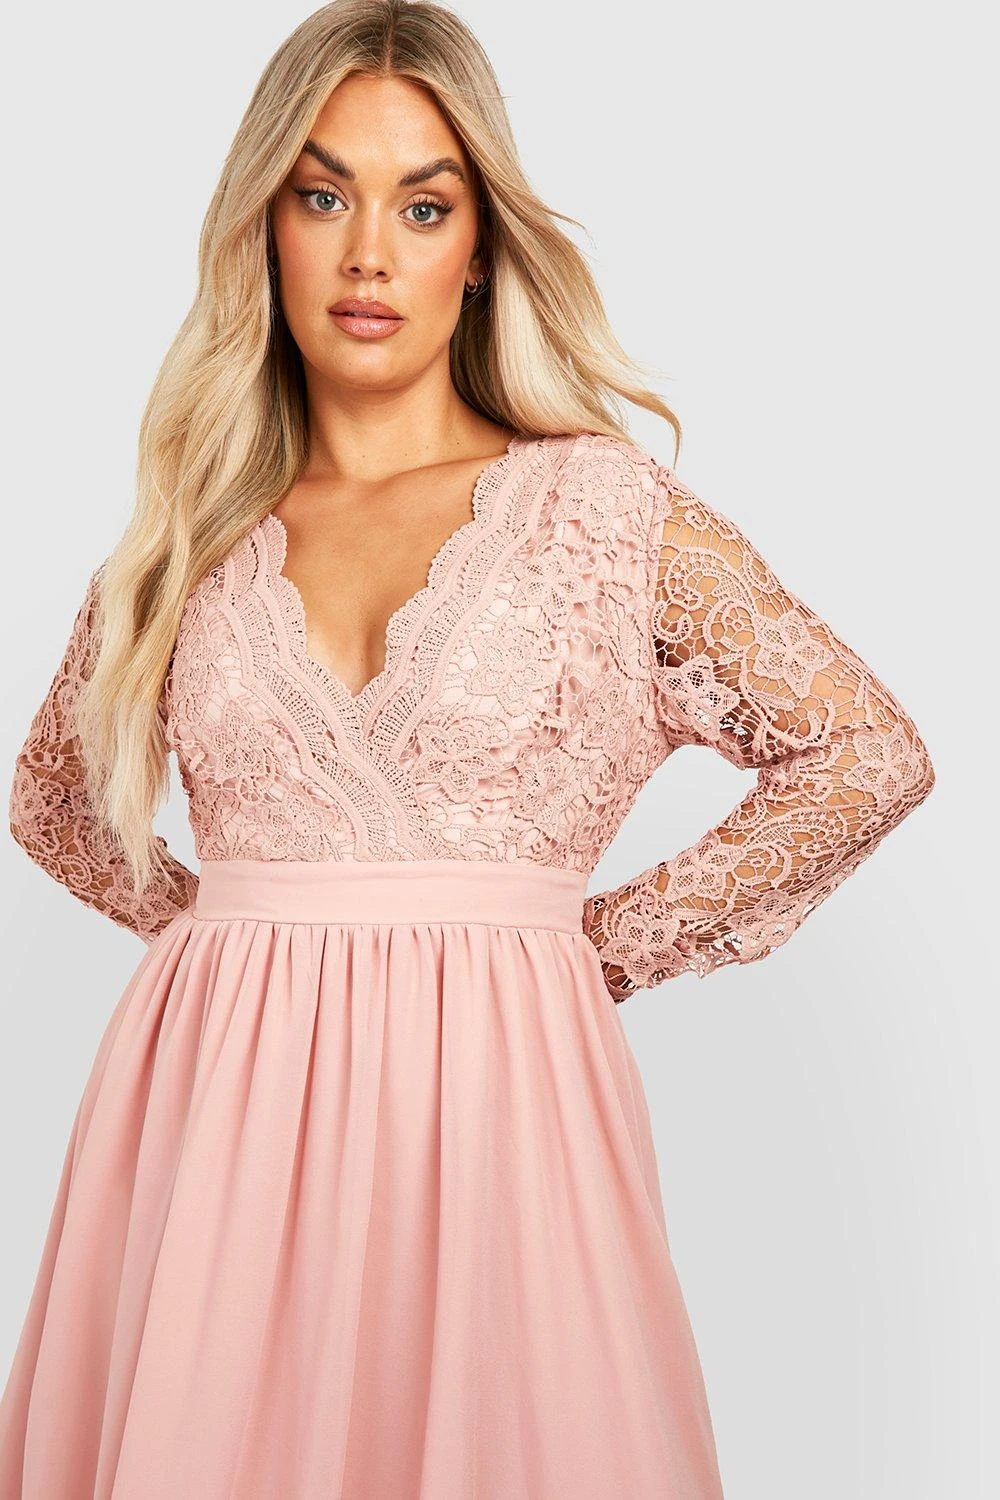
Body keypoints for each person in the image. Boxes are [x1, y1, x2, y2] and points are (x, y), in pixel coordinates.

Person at [0, 1, 936, 1495]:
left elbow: (865, 751)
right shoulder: (190, 532)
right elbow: (50, 800)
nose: (369, 253)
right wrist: (222, 947)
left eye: (423, 205)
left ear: (484, 244)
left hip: (510, 1106)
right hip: (217, 1122)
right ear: (263, 228)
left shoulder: (603, 513)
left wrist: (591, 949)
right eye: (323, 197)